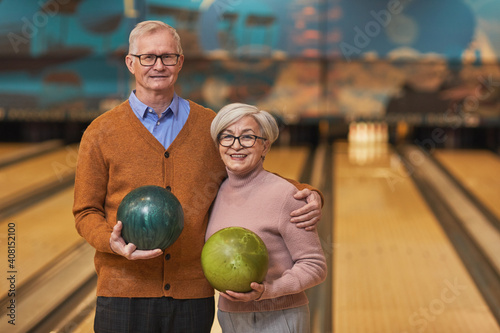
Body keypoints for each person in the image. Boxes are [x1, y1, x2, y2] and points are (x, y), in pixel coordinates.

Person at [73, 20, 323, 333]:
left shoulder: (210, 126)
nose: (158, 65)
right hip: (124, 289)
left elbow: (247, 168)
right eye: (148, 57)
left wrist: (307, 191)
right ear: (131, 63)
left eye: (168, 56)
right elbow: (85, 212)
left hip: (192, 295)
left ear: (180, 62)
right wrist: (110, 242)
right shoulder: (101, 131)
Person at [207, 103, 327, 333]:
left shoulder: (286, 196)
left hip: (278, 316)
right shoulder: (214, 192)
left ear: (265, 145)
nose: (236, 145)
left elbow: (315, 266)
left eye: (248, 137)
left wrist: (269, 290)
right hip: (229, 316)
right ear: (218, 145)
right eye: (227, 137)